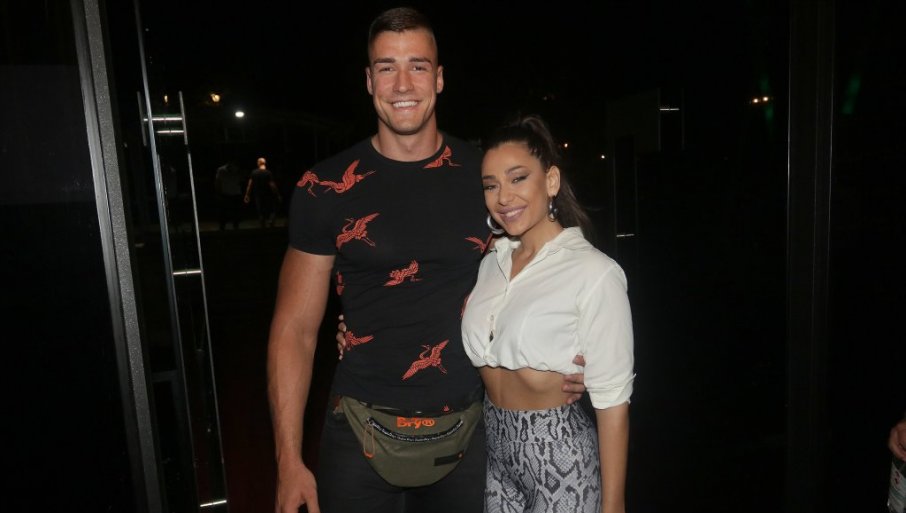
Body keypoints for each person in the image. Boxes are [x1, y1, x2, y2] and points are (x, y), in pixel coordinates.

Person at [267, 8, 586, 513]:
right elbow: (294, 330)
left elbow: (552, 266)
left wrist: (578, 350)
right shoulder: (322, 188)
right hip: (356, 430)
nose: (402, 84)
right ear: (368, 80)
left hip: (469, 429)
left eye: (417, 66)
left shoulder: (485, 179)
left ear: (439, 78)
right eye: (386, 67)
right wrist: (288, 460)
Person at [461, 115, 635, 513]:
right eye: (491, 185)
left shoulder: (594, 272)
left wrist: (614, 505)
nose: (504, 197)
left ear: (551, 181)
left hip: (561, 458)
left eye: (518, 178)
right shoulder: (491, 263)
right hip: (496, 458)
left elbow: (613, 403)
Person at [244, 156, 281, 227]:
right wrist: (277, 194)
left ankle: (262, 224)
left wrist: (247, 194)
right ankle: (270, 221)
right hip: (268, 194)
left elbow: (250, 185)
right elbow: (272, 185)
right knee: (271, 209)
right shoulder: (268, 173)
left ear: (258, 163)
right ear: (265, 163)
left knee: (260, 210)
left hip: (258, 194)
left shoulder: (254, 172)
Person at [215, 160, 242, 230]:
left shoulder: (237, 169)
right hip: (225, 194)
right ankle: (222, 226)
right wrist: (218, 192)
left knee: (235, 211)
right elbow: (218, 181)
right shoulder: (221, 170)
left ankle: (235, 225)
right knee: (223, 211)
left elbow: (240, 180)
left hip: (235, 193)